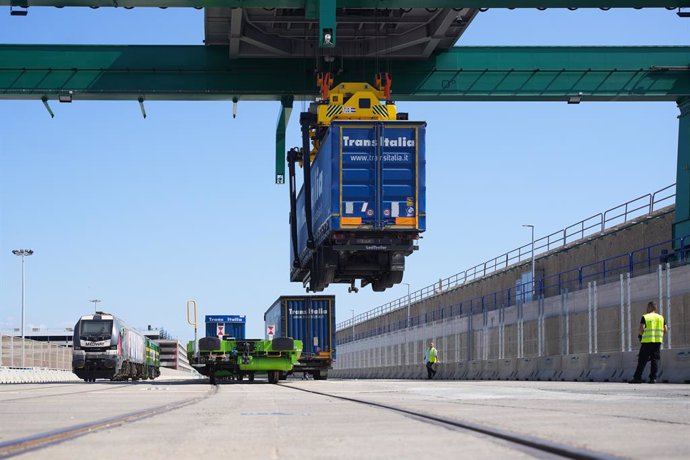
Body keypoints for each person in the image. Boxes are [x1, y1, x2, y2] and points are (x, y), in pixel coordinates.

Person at [629, 301, 667, 384]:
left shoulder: (645, 317)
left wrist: (641, 335)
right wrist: (659, 335)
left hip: (647, 342)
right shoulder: (661, 317)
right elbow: (665, 330)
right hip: (657, 342)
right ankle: (653, 378)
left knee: (642, 360)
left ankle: (637, 377)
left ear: (650, 307)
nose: (646, 309)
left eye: (647, 307)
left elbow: (641, 329)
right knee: (655, 360)